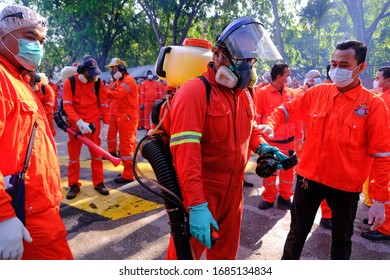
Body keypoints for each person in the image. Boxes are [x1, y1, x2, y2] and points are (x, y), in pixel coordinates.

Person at [165, 17, 284, 259]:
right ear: (217, 54)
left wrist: (263, 148)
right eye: (240, 57)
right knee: (182, 260)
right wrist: (196, 205)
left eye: (250, 58)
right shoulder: (195, 92)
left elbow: (249, 130)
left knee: (226, 258)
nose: (246, 65)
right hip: (201, 192)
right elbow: (186, 156)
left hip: (234, 191)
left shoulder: (243, 93)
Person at [260, 40, 390, 259]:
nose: (336, 69)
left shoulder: (373, 105)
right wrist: (271, 124)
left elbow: (382, 155)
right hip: (308, 179)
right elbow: (286, 110)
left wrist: (380, 200)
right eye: (333, 63)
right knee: (296, 234)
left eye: (344, 64)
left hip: (345, 187)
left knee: (341, 241)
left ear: (361, 67)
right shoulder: (317, 93)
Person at [0, 4, 73, 260]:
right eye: (30, 37)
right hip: (23, 211)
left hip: (37, 206)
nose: (37, 47)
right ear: (3, 36)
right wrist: (3, 214)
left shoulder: (18, 79)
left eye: (41, 41)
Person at [62, 55, 110, 199]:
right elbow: (67, 106)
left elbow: (103, 104)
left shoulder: (98, 83)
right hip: (75, 126)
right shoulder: (69, 82)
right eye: (91, 73)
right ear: (83, 71)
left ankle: (99, 183)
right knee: (74, 157)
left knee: (96, 156)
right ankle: (74, 185)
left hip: (93, 124)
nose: (93, 76)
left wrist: (106, 123)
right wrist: (78, 122)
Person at [254, 63, 301, 210]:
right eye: (287, 75)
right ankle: (268, 198)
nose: (289, 77)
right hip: (270, 142)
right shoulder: (262, 93)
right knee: (269, 171)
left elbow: (297, 117)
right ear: (279, 76)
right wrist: (259, 141)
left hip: (289, 142)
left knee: (289, 173)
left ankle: (285, 198)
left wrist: (299, 138)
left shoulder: (291, 94)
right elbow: (257, 118)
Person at [294, 68, 333, 229]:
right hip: (304, 142)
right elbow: (296, 116)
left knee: (325, 180)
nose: (317, 80)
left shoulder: (324, 93)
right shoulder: (302, 93)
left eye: (319, 77)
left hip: (320, 143)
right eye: (315, 77)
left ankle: (327, 215)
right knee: (306, 180)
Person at [361, 66, 390, 241]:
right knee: (376, 185)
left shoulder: (384, 100)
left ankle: (385, 228)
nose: (377, 81)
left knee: (382, 186)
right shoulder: (382, 97)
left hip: (383, 150)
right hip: (381, 149)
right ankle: (377, 219)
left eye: (379, 78)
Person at [105, 57, 139, 184]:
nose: (112, 71)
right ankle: (127, 170)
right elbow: (111, 91)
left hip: (128, 116)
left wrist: (106, 91)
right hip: (123, 115)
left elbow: (117, 95)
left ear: (121, 68)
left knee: (126, 145)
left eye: (114, 68)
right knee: (125, 145)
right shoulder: (118, 81)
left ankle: (129, 174)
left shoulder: (128, 81)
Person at [28, 72, 57, 137]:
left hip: (46, 120)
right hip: (31, 122)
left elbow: (49, 105)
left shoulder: (46, 88)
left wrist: (37, 116)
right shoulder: (25, 89)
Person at [104, 58, 122, 158]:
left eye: (114, 68)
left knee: (122, 135)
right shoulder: (113, 83)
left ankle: (121, 152)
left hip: (121, 112)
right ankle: (111, 152)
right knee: (111, 134)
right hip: (112, 112)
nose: (112, 71)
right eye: (111, 69)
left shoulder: (124, 82)